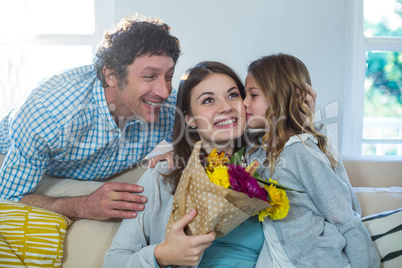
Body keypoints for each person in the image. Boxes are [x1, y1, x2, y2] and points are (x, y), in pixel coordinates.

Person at [0, 15, 181, 220]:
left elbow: (211, 140)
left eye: (168, 77)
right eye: (149, 76)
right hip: (17, 164)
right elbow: (9, 199)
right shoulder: (50, 113)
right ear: (111, 76)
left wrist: (181, 150)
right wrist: (82, 206)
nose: (164, 92)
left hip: (96, 172)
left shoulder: (168, 104)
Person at [104, 61, 276, 267]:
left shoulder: (270, 163)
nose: (226, 107)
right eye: (208, 100)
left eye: (233, 95)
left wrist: (301, 116)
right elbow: (114, 260)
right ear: (190, 119)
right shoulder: (163, 174)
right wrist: (161, 255)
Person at [243, 53, 380, 267]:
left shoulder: (301, 152)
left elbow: (345, 217)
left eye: (253, 95)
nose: (244, 103)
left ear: (283, 96)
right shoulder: (255, 153)